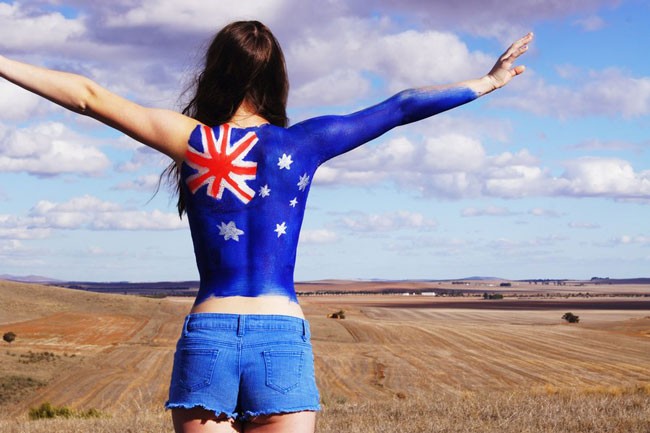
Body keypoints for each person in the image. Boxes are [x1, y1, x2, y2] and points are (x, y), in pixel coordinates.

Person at [0, 20, 532, 433]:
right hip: (280, 334)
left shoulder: (192, 142)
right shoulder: (305, 142)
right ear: (276, 77)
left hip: (208, 333)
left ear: (215, 72)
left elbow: (88, 96)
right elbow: (401, 106)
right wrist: (489, 80)